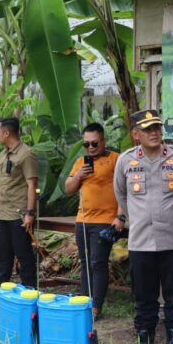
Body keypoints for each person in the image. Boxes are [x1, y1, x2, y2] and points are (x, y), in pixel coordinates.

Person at [114, 109, 173, 344]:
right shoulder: (125, 161)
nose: (154, 133)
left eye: (157, 128)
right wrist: (137, 218)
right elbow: (121, 196)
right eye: (148, 129)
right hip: (141, 241)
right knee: (144, 299)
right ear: (135, 134)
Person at [65, 123, 122, 319]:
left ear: (103, 141)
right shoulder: (81, 162)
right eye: (86, 144)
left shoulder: (116, 159)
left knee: (98, 262)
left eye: (94, 143)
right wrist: (79, 175)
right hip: (83, 219)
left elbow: (124, 190)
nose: (90, 148)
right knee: (85, 262)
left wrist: (120, 216)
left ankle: (96, 306)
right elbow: (68, 188)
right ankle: (85, 301)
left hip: (105, 220)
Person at [0, 117, 38, 304]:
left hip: (19, 213)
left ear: (7, 133)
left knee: (23, 253)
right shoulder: (2, 155)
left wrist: (30, 213)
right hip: (3, 212)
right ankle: (0, 290)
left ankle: (30, 290)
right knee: (2, 253)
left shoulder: (26, 154)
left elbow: (32, 184)